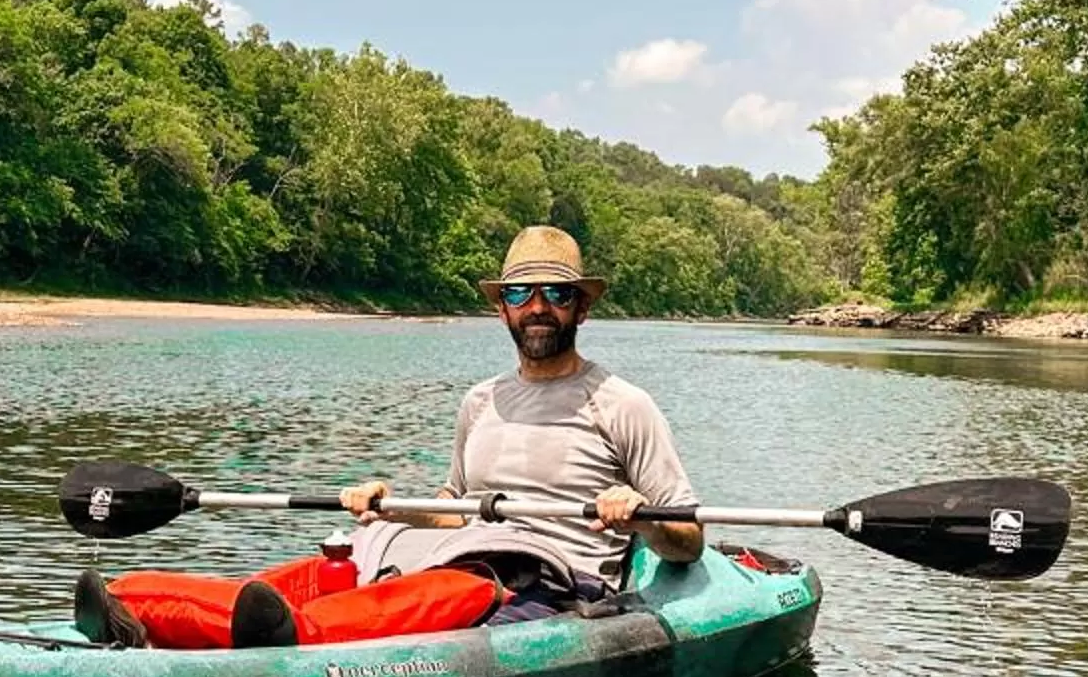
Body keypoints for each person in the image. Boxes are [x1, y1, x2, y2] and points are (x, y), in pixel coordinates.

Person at [82, 225, 703, 649]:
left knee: (428, 594)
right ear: (502, 308)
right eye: (521, 293)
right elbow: (454, 510)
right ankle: (135, 604)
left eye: (556, 294)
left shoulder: (622, 405)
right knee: (335, 568)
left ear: (581, 308)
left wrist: (638, 518)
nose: (537, 306)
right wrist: (393, 503)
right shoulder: (481, 401)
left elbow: (689, 539)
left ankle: (294, 640)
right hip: (469, 550)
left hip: (545, 583)